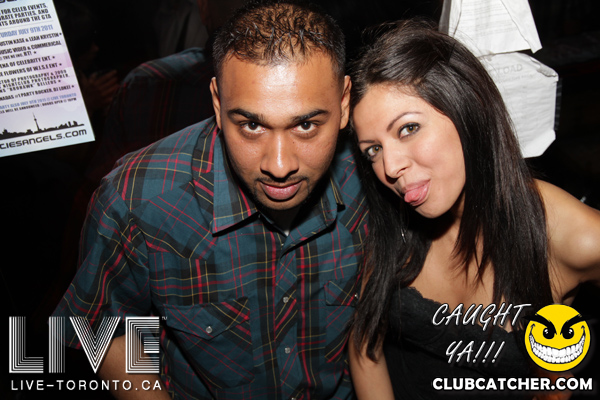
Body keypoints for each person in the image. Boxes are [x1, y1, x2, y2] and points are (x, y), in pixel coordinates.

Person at [52, 1, 367, 399]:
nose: (279, 165)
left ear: (344, 103)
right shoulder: (137, 200)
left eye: (306, 125)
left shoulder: (374, 183)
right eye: (251, 125)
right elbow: (102, 328)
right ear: (218, 103)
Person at [348, 20, 600, 399]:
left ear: (468, 108)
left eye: (408, 129)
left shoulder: (572, 236)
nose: (389, 167)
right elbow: (365, 344)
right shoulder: (392, 221)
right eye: (373, 150)